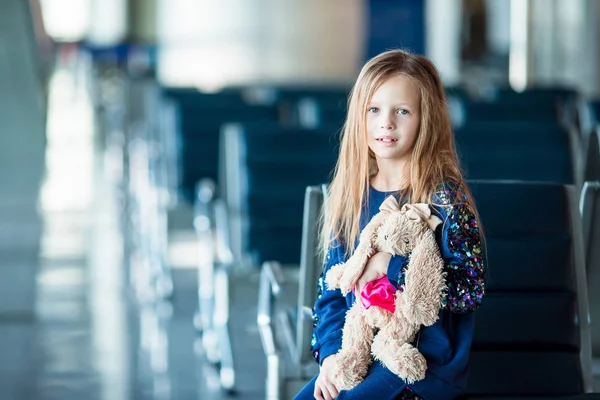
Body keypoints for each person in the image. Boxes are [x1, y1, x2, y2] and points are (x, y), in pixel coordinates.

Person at [294, 49, 486, 400]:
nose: (386, 123)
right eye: (374, 110)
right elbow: (332, 294)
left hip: (423, 367)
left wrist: (391, 265)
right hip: (360, 356)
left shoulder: (445, 197)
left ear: (425, 119)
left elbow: (469, 290)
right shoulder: (351, 197)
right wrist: (332, 360)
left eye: (402, 111)